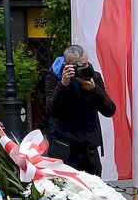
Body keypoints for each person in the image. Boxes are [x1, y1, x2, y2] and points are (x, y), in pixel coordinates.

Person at [43, 44, 116, 175]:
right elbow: (50, 109)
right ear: (66, 65)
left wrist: (94, 90)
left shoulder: (93, 77)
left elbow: (109, 110)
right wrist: (62, 85)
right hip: (63, 147)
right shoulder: (53, 77)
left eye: (85, 64)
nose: (82, 69)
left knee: (93, 186)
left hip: (88, 148)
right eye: (77, 66)